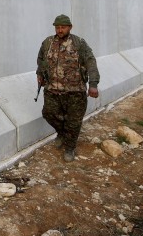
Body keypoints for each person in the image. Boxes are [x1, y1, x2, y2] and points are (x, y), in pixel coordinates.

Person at [36, 14, 100, 162]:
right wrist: (40, 73)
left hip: (75, 92)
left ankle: (70, 148)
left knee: (74, 121)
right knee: (48, 113)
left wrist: (93, 84)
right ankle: (62, 133)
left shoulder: (79, 43)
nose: (60, 30)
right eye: (57, 27)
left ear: (70, 27)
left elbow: (91, 62)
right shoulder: (48, 43)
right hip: (52, 90)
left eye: (63, 27)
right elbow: (40, 59)